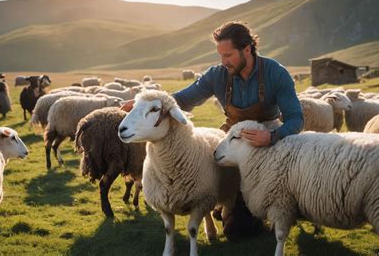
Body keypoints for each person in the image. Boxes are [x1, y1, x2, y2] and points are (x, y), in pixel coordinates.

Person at [121, 21, 303, 240]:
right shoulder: (217, 75)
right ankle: (227, 206)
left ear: (247, 49)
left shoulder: (275, 73)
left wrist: (272, 136)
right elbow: (183, 98)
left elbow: (295, 119)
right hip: (233, 135)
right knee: (236, 229)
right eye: (220, 56)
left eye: (228, 55)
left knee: (260, 209)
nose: (224, 61)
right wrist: (148, 102)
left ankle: (277, 211)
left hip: (266, 138)